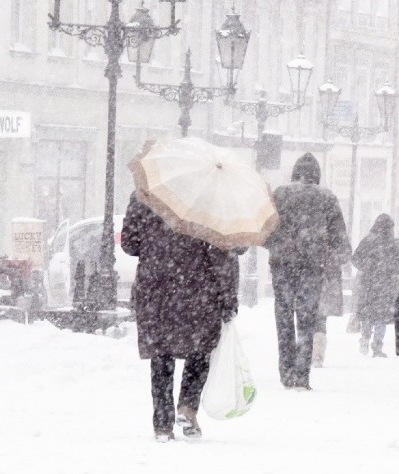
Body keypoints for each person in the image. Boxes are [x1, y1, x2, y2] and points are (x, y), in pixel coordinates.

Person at [121, 193, 240, 443]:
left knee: (161, 355)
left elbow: (129, 244)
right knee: (200, 349)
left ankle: (162, 425)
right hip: (198, 289)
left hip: (156, 286)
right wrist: (228, 298)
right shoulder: (210, 200)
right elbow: (223, 254)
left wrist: (158, 243)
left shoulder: (147, 194)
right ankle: (187, 407)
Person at [265, 153, 350, 389]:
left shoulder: (280, 194)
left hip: (282, 265)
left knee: (283, 318)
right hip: (312, 267)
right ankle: (302, 374)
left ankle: (286, 371)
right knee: (307, 319)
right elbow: (339, 240)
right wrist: (329, 253)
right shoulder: (327, 198)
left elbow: (266, 229)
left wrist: (278, 246)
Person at [352, 214, 399, 357]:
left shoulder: (368, 241)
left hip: (368, 284)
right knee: (381, 316)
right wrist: (391, 269)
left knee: (368, 314)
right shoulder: (394, 244)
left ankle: (365, 339)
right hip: (385, 285)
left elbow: (355, 259)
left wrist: (366, 266)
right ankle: (377, 346)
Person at [312, 237, 351, 368]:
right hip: (328, 282)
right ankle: (317, 354)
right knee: (319, 320)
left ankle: (311, 353)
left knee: (312, 319)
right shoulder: (335, 230)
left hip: (311, 280)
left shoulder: (310, 228)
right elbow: (346, 254)